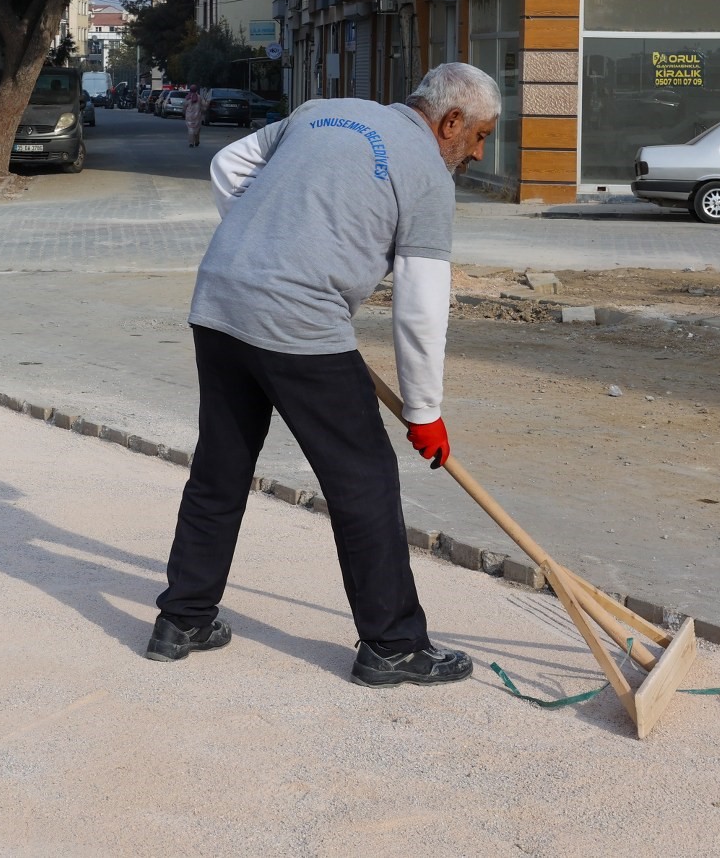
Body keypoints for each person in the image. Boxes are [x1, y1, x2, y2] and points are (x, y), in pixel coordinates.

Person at [146, 62, 501, 688]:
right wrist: (424, 412)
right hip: (300, 320)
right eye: (479, 137)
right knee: (363, 477)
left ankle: (183, 620)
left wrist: (271, 248)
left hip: (222, 296)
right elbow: (420, 306)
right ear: (450, 122)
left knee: (220, 467)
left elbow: (228, 166)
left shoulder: (319, 112)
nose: (476, 152)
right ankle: (392, 645)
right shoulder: (428, 176)